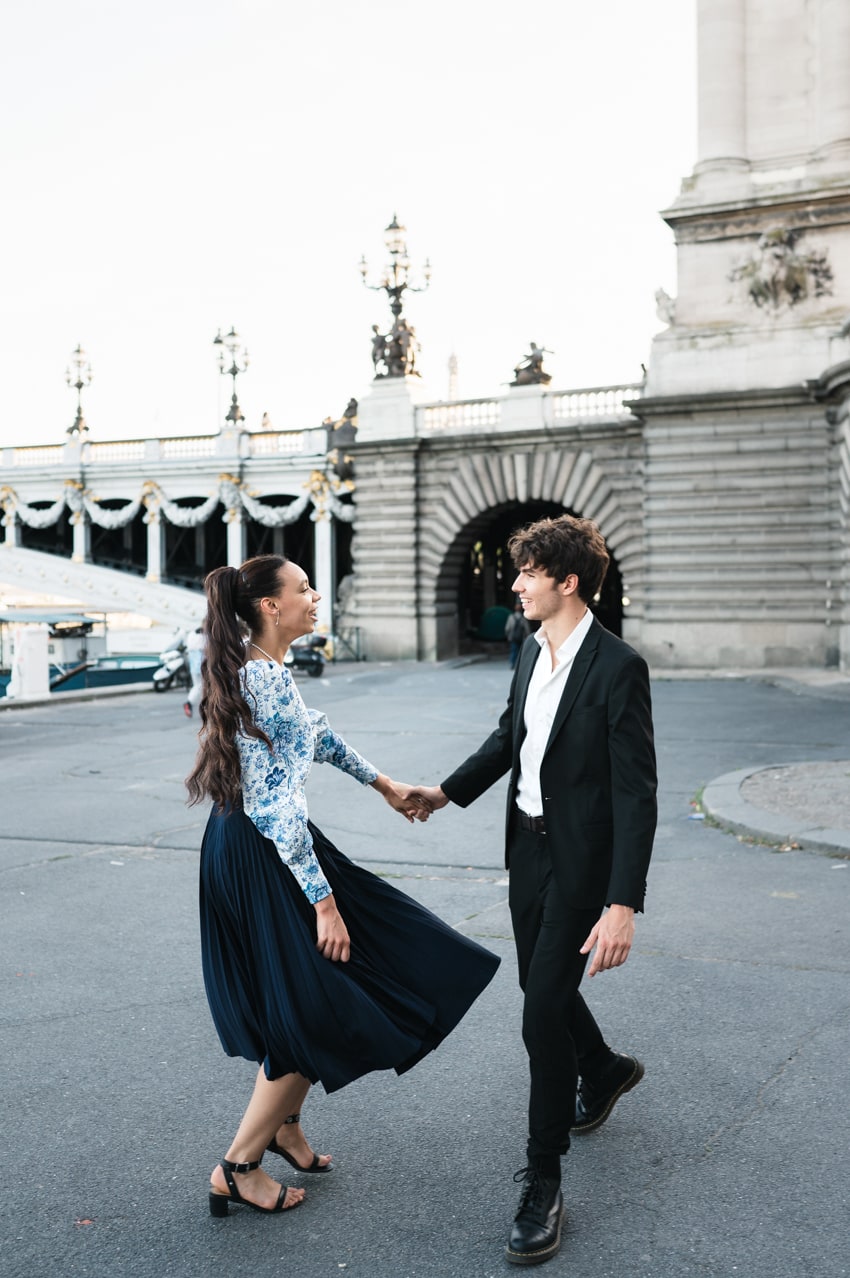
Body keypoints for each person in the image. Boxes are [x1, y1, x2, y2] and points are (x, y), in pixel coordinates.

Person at [185, 553, 499, 1219]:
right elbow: (277, 809)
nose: (315, 596)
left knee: (311, 992)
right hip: (263, 847)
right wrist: (323, 903)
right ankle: (238, 1166)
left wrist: (382, 784)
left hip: (249, 844)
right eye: (303, 588)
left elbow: (314, 735)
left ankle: (286, 1127)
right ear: (271, 606)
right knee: (313, 1001)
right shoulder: (260, 677)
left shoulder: (265, 669)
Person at [411, 514, 657, 1266]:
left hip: (584, 865)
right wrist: (445, 793)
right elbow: (507, 738)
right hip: (528, 852)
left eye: (527, 573)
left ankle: (543, 1182)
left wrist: (623, 903)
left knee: (541, 1010)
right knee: (536, 984)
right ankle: (607, 1069)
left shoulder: (617, 667)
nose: (514, 584)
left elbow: (637, 792)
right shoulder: (526, 649)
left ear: (568, 581)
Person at [183, 625, 206, 718]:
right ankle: (190, 703)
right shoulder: (203, 637)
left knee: (198, 686)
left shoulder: (191, 636)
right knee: (201, 687)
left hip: (194, 667)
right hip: (201, 667)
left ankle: (191, 703)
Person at [504, 599, 531, 670]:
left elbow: (507, 628)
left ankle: (512, 664)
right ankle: (518, 665)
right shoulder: (523, 618)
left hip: (513, 638)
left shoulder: (511, 617)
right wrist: (528, 637)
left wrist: (508, 636)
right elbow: (527, 629)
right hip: (521, 638)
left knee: (513, 650)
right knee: (520, 651)